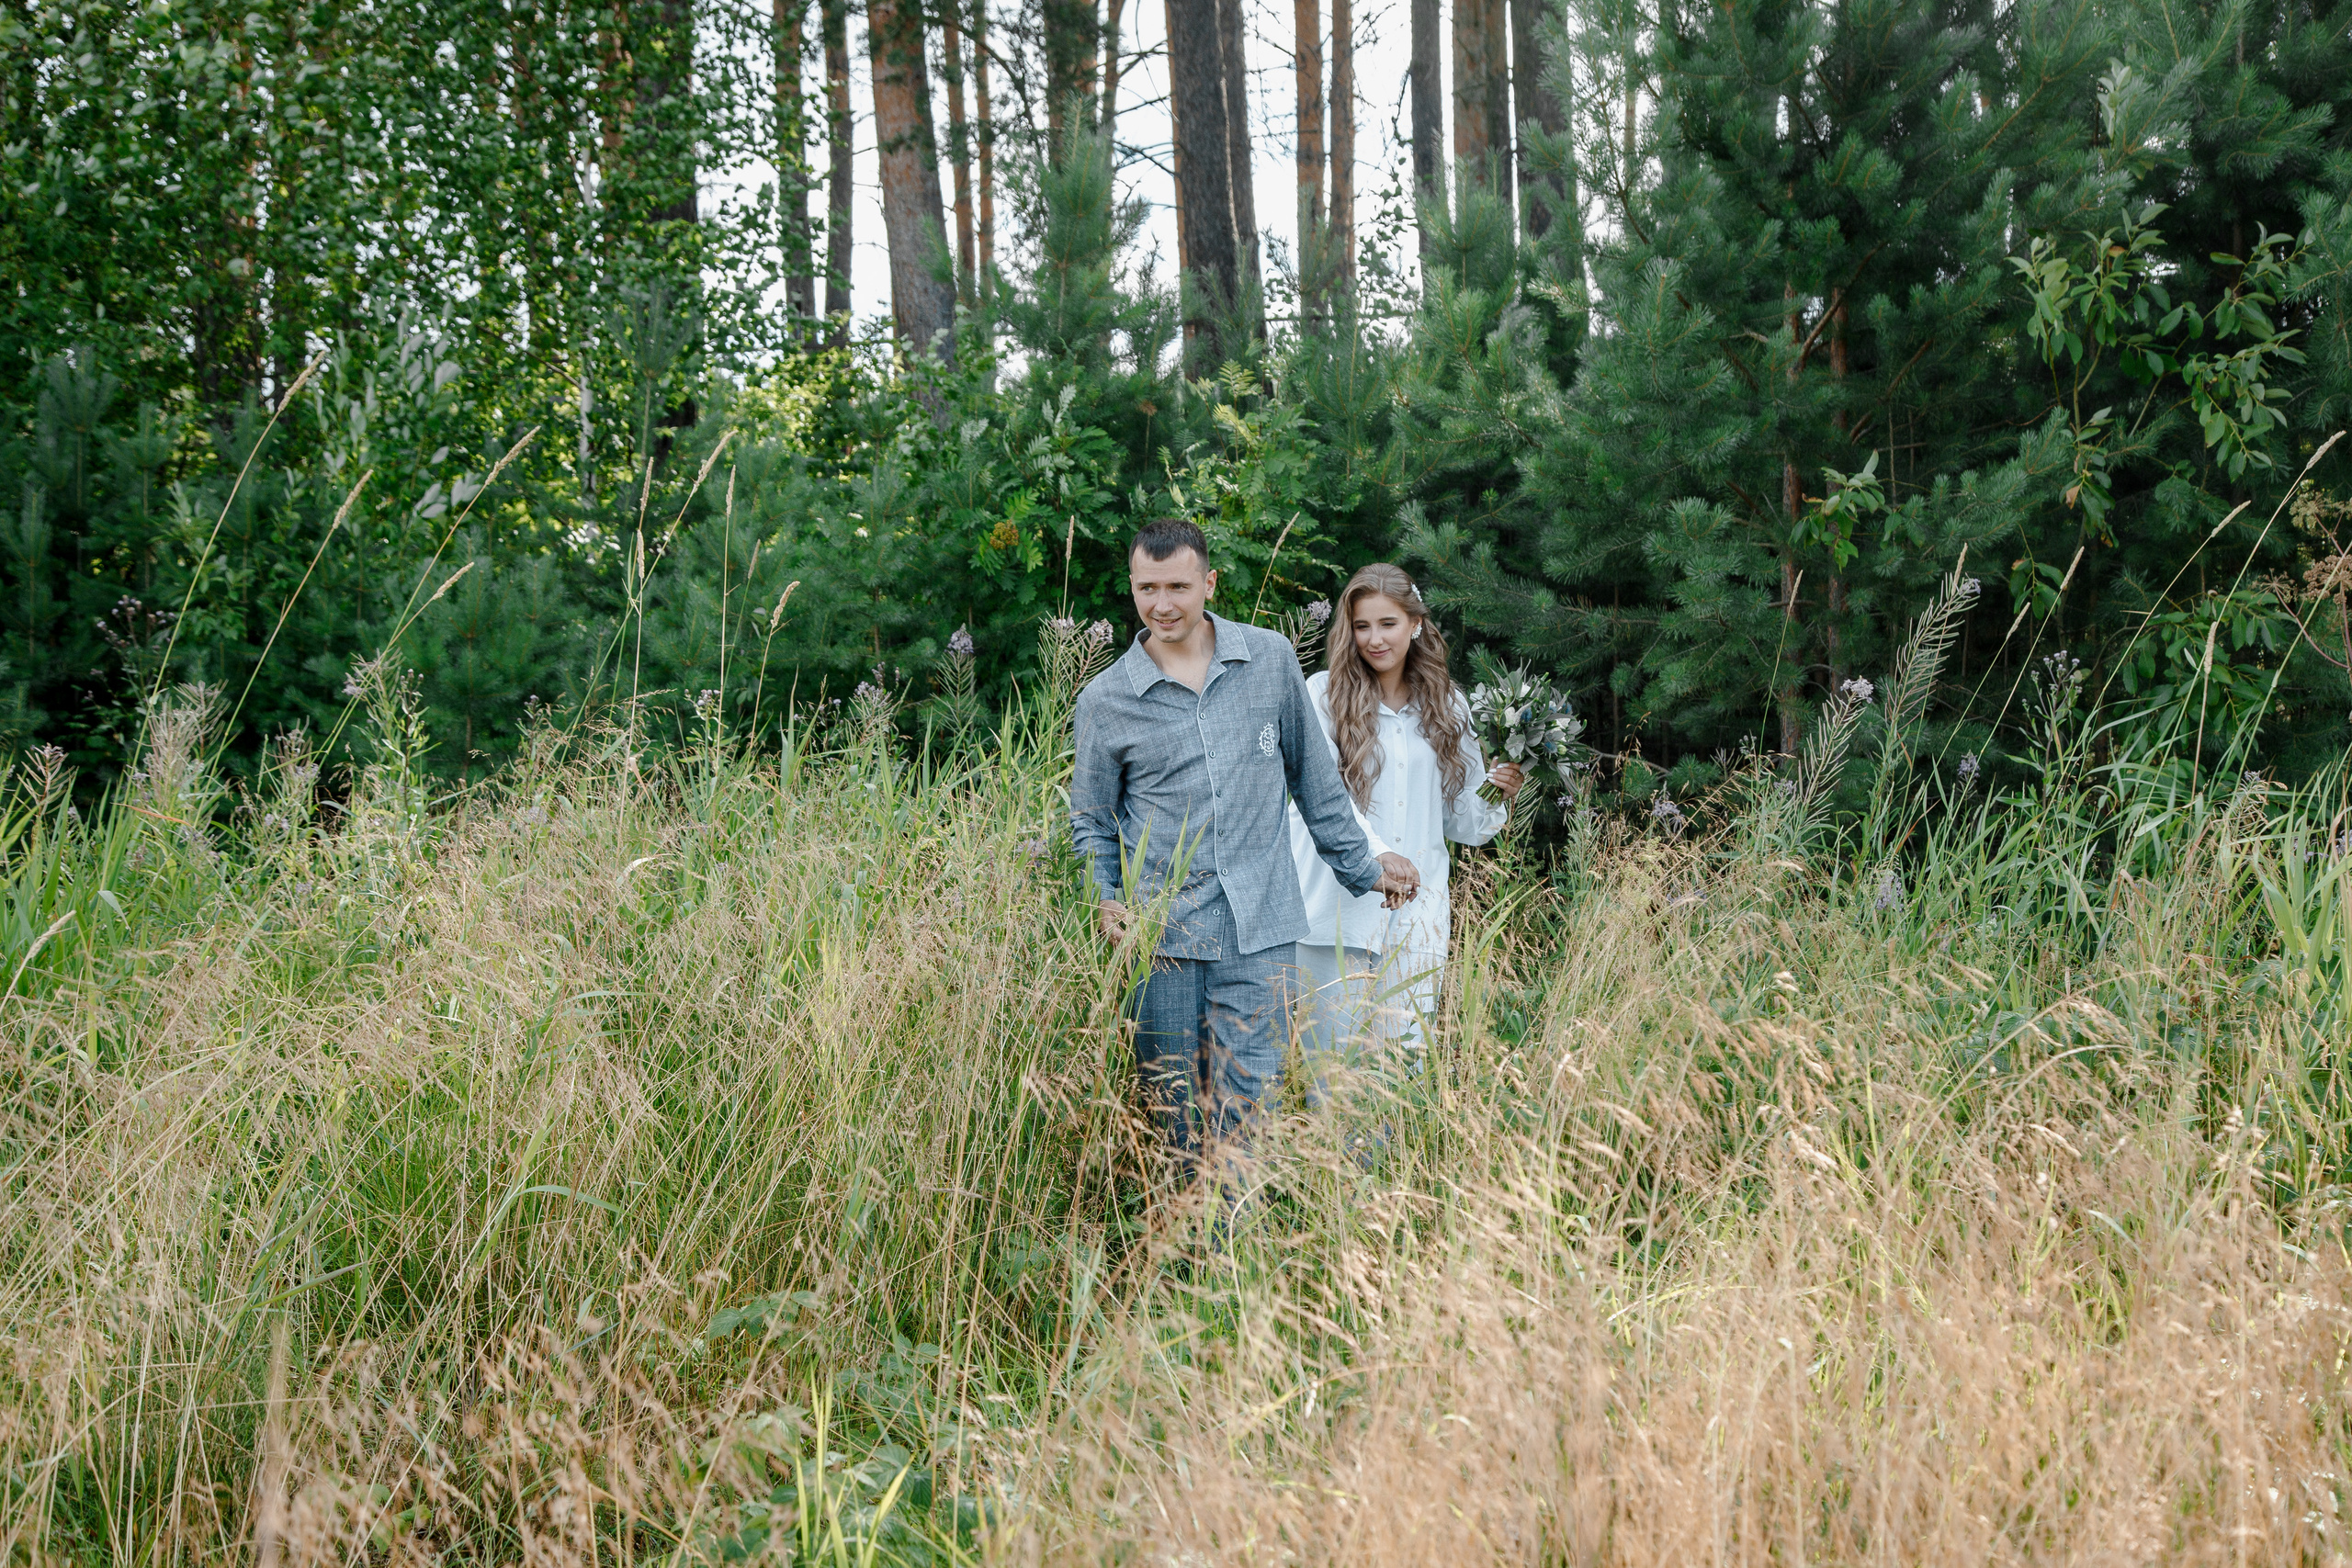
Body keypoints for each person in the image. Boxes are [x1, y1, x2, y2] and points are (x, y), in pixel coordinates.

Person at [1070, 520, 1421, 1172]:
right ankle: (1187, 1262)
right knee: (1176, 1118)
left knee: (1244, 1112)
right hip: (1162, 939)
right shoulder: (1108, 699)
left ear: (1208, 582)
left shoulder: (1269, 661)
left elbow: (1316, 783)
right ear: (1132, 587)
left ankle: (1233, 1265)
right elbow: (1091, 820)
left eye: (1177, 585)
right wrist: (1106, 900)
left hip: (1261, 933)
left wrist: (1363, 867)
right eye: (1147, 588)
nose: (1163, 603)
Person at [1287, 563, 1524, 1089]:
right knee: (1334, 1076)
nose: (1374, 639)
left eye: (1388, 623)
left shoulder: (1448, 706)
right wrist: (1378, 856)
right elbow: (1321, 797)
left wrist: (1495, 792)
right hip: (1336, 913)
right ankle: (1332, 1173)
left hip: (1418, 916)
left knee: (1402, 1070)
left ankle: (1391, 1173)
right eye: (1362, 626)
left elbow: (1463, 824)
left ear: (1415, 623)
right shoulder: (1322, 695)